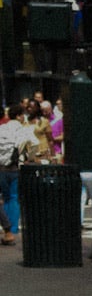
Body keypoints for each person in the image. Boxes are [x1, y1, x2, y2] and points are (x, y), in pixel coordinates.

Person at [0, 102, 37, 246]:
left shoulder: (2, 128)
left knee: (5, 198)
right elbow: (34, 143)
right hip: (15, 167)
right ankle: (13, 228)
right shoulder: (23, 130)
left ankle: (6, 228)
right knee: (14, 197)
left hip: (1, 168)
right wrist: (30, 157)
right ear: (19, 116)